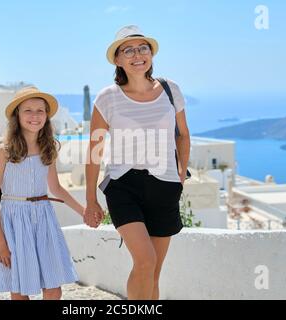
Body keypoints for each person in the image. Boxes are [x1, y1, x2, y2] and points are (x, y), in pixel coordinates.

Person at [84, 25, 191, 300]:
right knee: (145, 261)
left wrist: (180, 173)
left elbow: (183, 134)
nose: (137, 55)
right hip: (123, 185)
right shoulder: (107, 97)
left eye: (143, 48)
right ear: (118, 60)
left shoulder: (171, 90)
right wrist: (91, 200)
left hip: (165, 184)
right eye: (128, 50)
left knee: (153, 271)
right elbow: (95, 150)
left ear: (151, 54)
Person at [0, 86, 90, 300]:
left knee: (54, 288)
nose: (35, 116)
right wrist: (0, 242)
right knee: (19, 291)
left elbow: (56, 188)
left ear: (47, 116)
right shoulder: (4, 152)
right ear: (17, 115)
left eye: (40, 111)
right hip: (13, 222)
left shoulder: (48, 148)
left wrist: (84, 211)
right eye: (28, 110)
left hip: (44, 220)